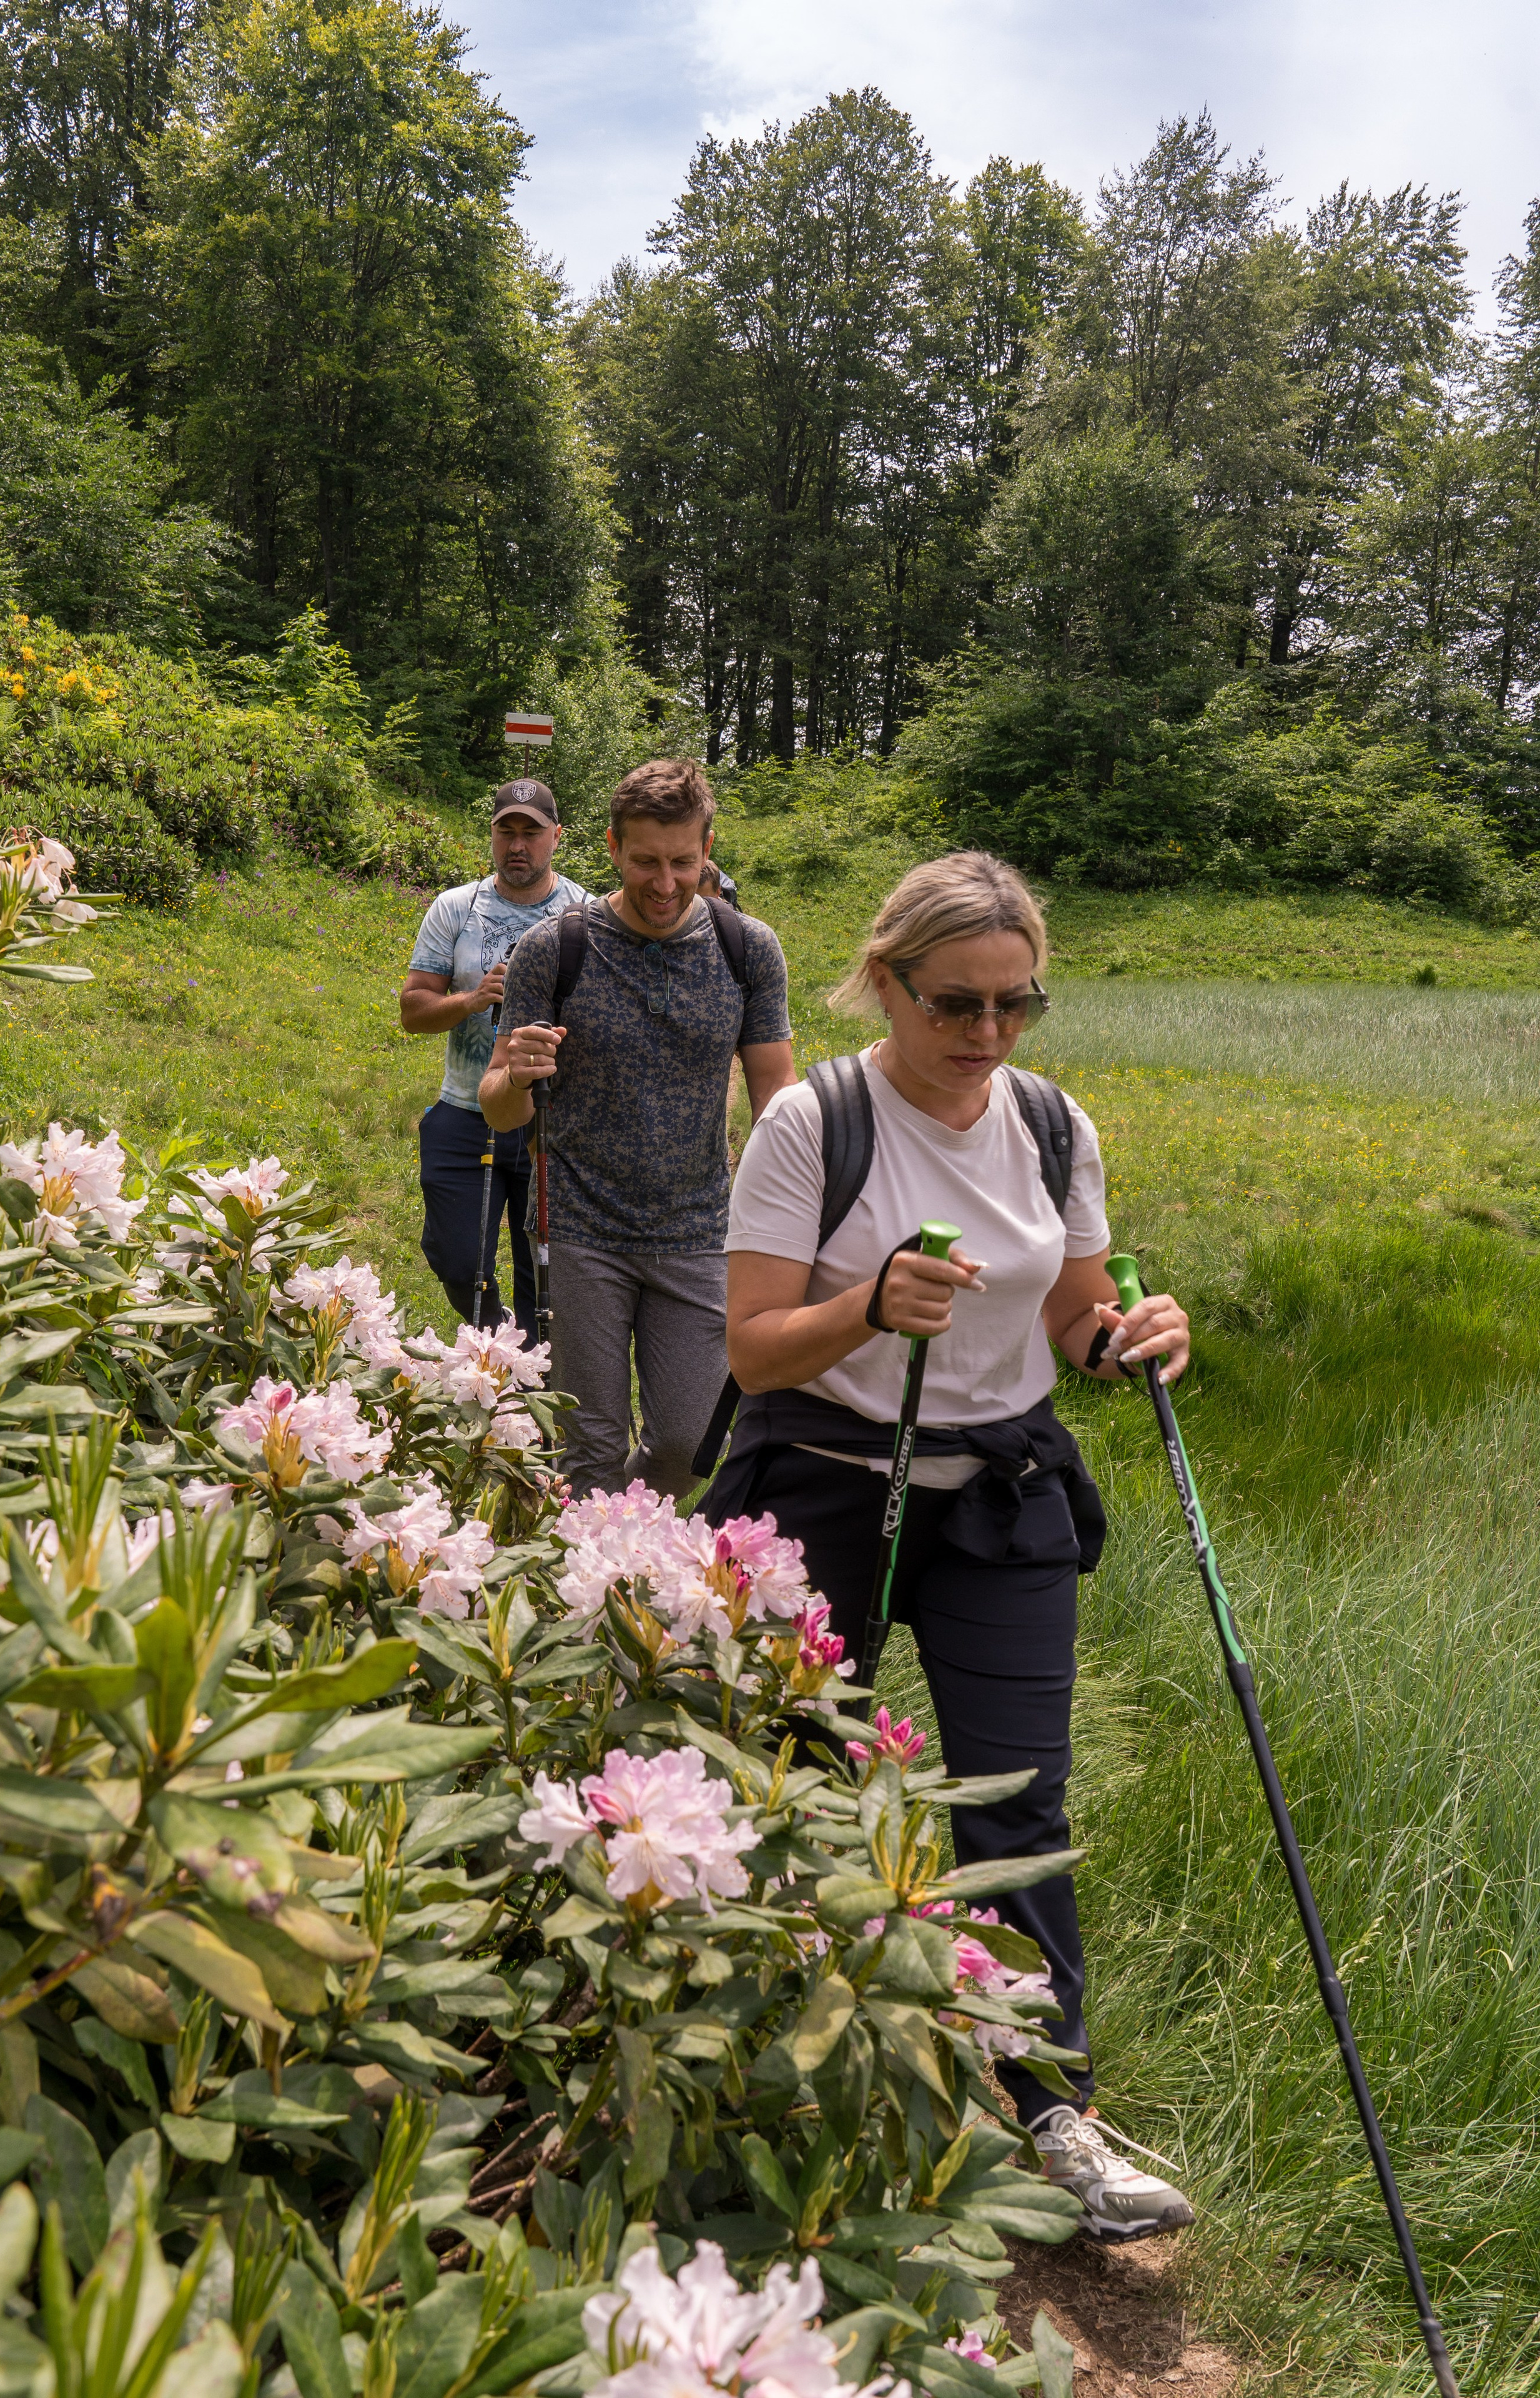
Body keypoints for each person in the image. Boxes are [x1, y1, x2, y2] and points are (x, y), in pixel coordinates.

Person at [701, 849, 1197, 2243]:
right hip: (823, 1483)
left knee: (1014, 1811)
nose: (985, 1036)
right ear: (885, 983)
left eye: (1014, 1004)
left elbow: (1074, 1314)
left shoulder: (1047, 1122)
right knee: (792, 1791)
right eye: (953, 1005)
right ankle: (779, 2085)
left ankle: (1049, 2111)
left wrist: (1128, 1343)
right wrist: (868, 1305)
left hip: (1001, 1493)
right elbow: (751, 1345)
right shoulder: (814, 1122)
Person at [480, 757, 795, 1496]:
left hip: (698, 1230)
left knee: (691, 1445)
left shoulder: (746, 949)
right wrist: (518, 1074)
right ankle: (585, 1584)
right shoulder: (554, 950)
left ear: (707, 846)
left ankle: (607, 1533)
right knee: (587, 1448)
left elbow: (778, 1096)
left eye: (683, 862)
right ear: (613, 848)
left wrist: (793, 1219)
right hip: (579, 1227)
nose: (664, 883)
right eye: (646, 861)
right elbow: (501, 1107)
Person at [400, 780, 586, 1339]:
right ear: (492, 836)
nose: (519, 845)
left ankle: (526, 1373)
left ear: (557, 837)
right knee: (457, 1259)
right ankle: (494, 1336)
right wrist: (473, 999)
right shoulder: (456, 908)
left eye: (532, 832)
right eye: (507, 831)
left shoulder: (586, 914)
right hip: (463, 1109)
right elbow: (413, 1010)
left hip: (550, 1121)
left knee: (544, 1269)